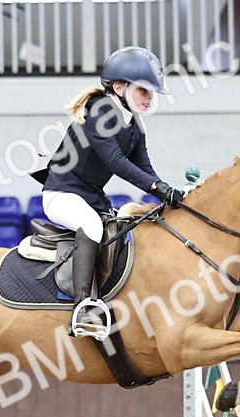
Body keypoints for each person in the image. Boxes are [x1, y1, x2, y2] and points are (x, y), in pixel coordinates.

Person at [36, 46, 185, 339]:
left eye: (151, 92)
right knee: (90, 225)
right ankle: (83, 307)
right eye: (144, 90)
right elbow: (117, 163)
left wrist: (169, 194)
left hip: (90, 198)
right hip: (61, 194)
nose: (150, 97)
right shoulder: (100, 111)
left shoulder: (134, 125)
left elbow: (145, 167)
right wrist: (157, 188)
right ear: (119, 87)